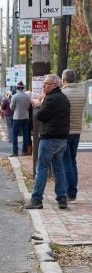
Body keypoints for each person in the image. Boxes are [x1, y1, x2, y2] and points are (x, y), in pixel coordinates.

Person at [25, 74, 70, 210]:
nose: (44, 86)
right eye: (44, 83)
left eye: (47, 84)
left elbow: (40, 116)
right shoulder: (63, 98)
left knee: (42, 169)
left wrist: (37, 106)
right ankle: (62, 198)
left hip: (49, 138)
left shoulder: (51, 99)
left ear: (55, 85)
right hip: (62, 139)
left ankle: (36, 199)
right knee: (59, 169)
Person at [60, 68, 85, 202]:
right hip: (77, 131)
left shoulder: (63, 93)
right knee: (72, 161)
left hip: (65, 131)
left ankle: (69, 191)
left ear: (64, 79)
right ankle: (73, 191)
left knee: (66, 162)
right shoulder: (82, 93)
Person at [9, 81, 31, 157]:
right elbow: (28, 106)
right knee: (25, 135)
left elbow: (11, 108)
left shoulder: (14, 96)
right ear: (23, 88)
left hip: (17, 118)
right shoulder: (27, 96)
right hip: (25, 117)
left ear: (17, 88)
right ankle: (24, 151)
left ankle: (15, 152)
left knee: (14, 135)